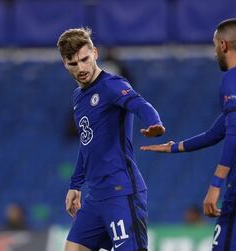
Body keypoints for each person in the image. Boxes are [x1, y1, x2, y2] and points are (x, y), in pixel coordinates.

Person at [141, 18, 236, 250]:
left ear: (224, 45)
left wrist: (215, 184)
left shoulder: (234, 77)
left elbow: (235, 134)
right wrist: (176, 146)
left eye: (215, 45)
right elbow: (216, 132)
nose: (215, 52)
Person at [57, 28, 165, 251]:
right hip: (96, 196)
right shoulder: (78, 97)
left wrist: (154, 122)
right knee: (73, 248)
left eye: (85, 59)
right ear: (64, 64)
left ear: (95, 53)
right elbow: (87, 143)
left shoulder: (112, 85)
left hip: (121, 192)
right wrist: (75, 184)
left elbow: (140, 104)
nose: (81, 68)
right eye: (73, 64)